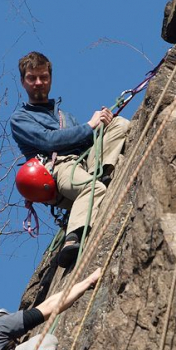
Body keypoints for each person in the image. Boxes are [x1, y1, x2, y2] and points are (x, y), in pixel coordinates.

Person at [10, 52, 129, 268]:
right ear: (23, 82)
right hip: (56, 168)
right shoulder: (20, 119)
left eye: (43, 77)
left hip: (81, 162)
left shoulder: (65, 117)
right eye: (32, 78)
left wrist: (102, 123)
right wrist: (90, 125)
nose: (39, 83)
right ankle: (72, 238)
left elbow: (85, 142)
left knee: (119, 124)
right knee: (92, 189)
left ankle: (103, 172)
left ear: (50, 79)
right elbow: (49, 141)